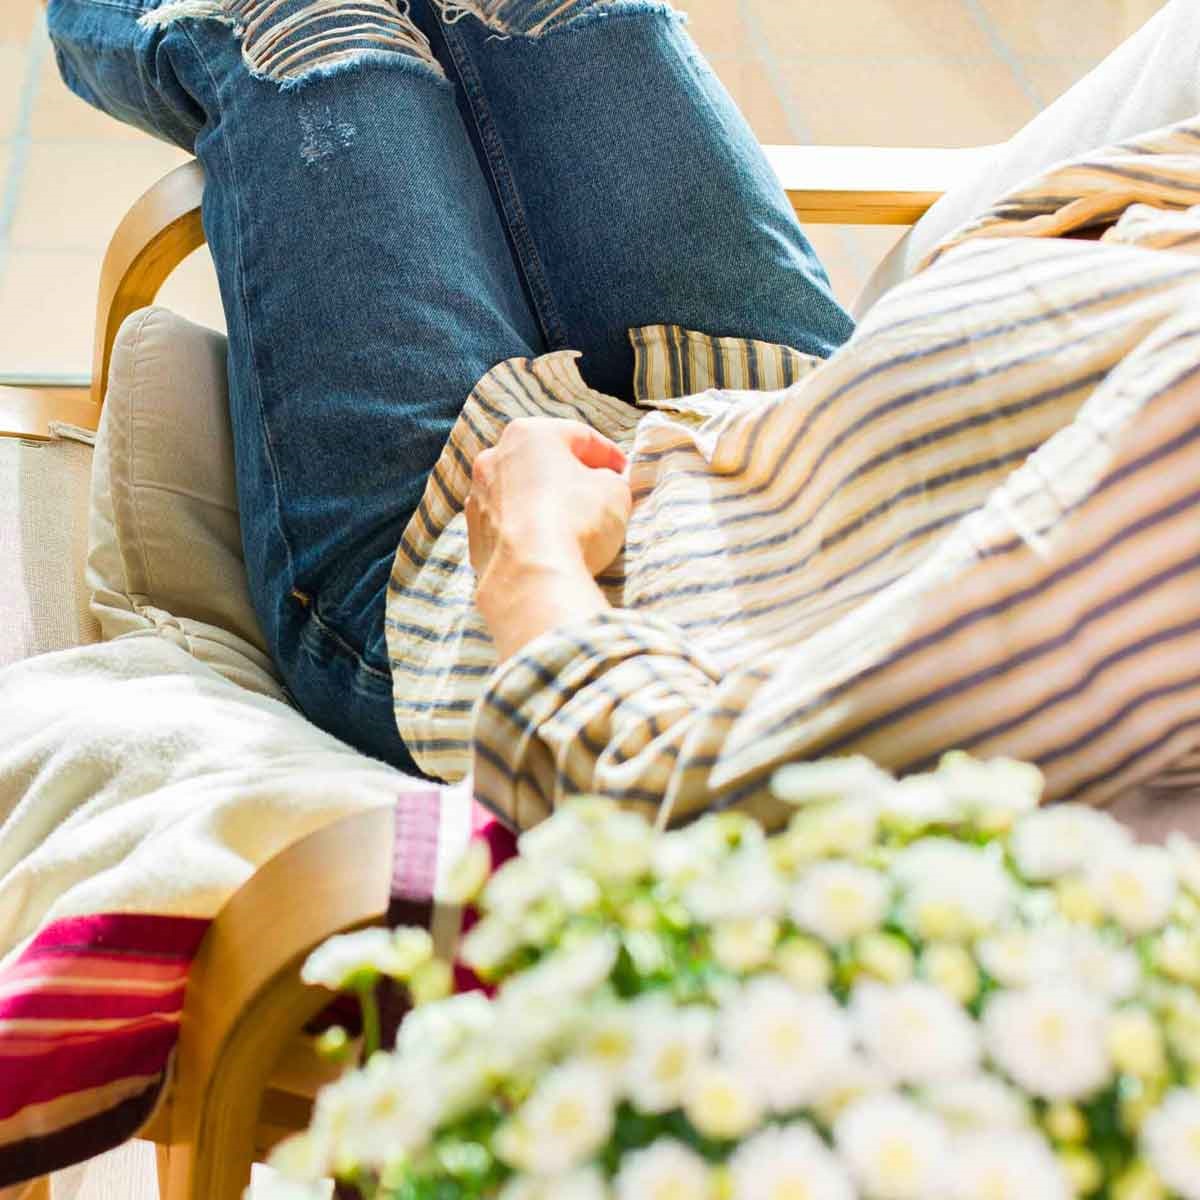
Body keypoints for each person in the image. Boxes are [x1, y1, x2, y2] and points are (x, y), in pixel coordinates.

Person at [49, 0, 1200, 831]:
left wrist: (533, 556)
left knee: (305, 29)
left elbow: (680, 795)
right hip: (777, 409)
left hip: (474, 583)